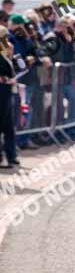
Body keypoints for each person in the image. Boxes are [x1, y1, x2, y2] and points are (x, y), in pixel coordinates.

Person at [0, 27, 18, 168]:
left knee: (9, 126)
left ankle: (11, 155)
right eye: (4, 37)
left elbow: (11, 69)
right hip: (2, 90)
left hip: (7, 91)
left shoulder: (6, 52)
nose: (7, 40)